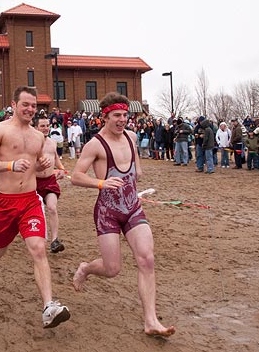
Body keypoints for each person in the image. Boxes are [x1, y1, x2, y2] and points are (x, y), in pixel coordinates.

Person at [70, 92, 175, 337]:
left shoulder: (132, 136)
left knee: (147, 259)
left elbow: (135, 164)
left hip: (132, 208)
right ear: (104, 116)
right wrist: (100, 183)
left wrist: (137, 171)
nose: (122, 120)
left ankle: (151, 321)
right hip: (107, 212)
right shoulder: (94, 144)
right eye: (117, 115)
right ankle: (85, 268)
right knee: (112, 268)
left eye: (125, 115)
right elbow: (76, 177)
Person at [0, 86, 70, 329]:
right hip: (4, 202)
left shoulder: (37, 136)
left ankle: (49, 306)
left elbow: (37, 167)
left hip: (30, 200)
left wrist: (46, 165)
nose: (30, 109)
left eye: (34, 106)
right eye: (26, 105)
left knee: (38, 248)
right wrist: (9, 165)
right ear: (14, 104)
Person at [35, 117, 66, 253]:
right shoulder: (31, 144)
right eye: (42, 126)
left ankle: (54, 240)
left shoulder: (53, 143)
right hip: (33, 182)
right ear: (36, 128)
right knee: (35, 213)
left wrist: (61, 170)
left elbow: (57, 162)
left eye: (47, 125)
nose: (46, 128)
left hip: (50, 181)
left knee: (52, 208)